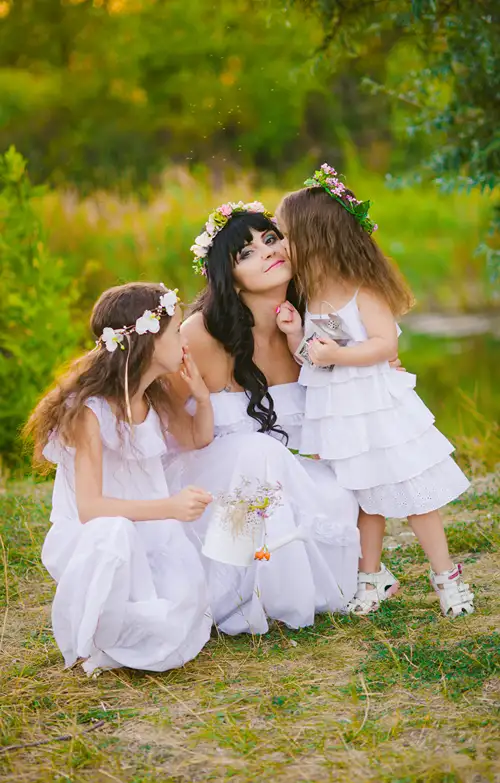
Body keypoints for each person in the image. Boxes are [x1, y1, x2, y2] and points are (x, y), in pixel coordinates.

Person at [275, 164, 474, 617]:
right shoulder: (306, 294)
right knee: (364, 498)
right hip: (340, 412)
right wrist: (292, 335)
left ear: (315, 237)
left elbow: (385, 344)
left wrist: (337, 357)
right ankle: (370, 579)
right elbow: (311, 355)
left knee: (413, 493)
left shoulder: (362, 291)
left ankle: (446, 574)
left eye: (284, 234)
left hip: (376, 408)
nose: (281, 243)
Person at [164, 200, 362, 636]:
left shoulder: (314, 317)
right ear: (229, 280)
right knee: (257, 452)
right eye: (246, 252)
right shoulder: (200, 334)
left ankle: (307, 585)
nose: (268, 251)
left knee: (338, 484)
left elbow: (362, 379)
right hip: (217, 478)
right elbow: (165, 418)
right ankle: (229, 593)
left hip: (294, 468)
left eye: (270, 239)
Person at [24, 282, 214, 674]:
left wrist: (203, 396)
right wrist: (171, 508)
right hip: (94, 538)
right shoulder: (89, 411)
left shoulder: (154, 395)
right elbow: (91, 509)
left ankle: (127, 633)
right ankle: (90, 635)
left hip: (148, 530)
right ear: (147, 341)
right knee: (115, 534)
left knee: (178, 613)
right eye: (176, 330)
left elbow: (197, 438)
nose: (184, 339)